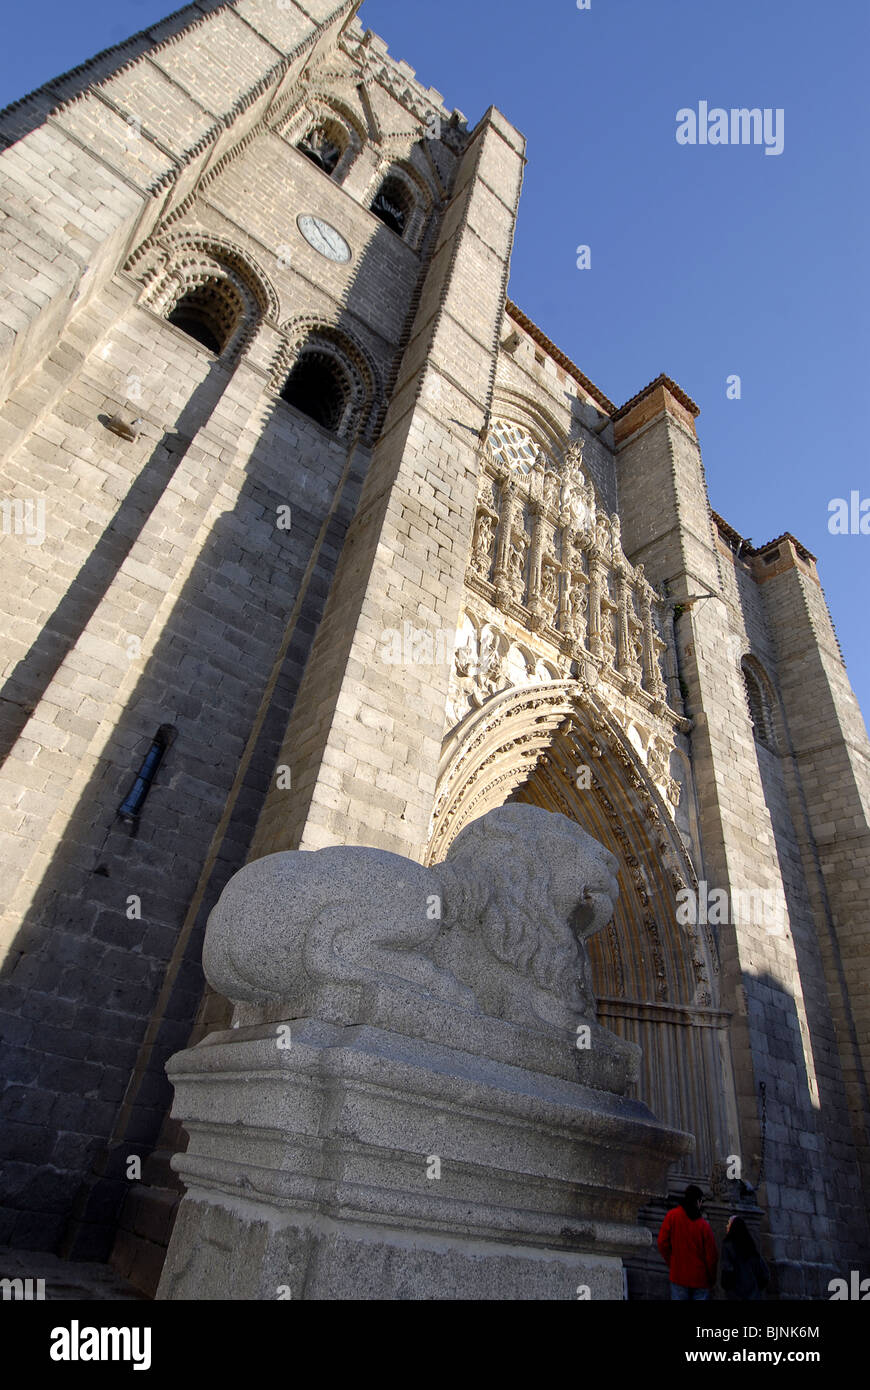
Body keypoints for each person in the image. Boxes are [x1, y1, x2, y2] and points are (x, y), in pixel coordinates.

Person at [657, 1184, 718, 1300]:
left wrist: (672, 1262)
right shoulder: (703, 1226)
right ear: (698, 1202)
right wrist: (711, 1278)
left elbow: (662, 1242)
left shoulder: (672, 1216)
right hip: (700, 1278)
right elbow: (712, 1256)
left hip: (678, 1274)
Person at [720, 1215, 770, 1300]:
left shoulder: (728, 1246)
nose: (727, 1226)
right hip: (753, 1295)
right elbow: (764, 1274)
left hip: (735, 1294)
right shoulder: (751, 1248)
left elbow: (727, 1271)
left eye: (729, 1224)